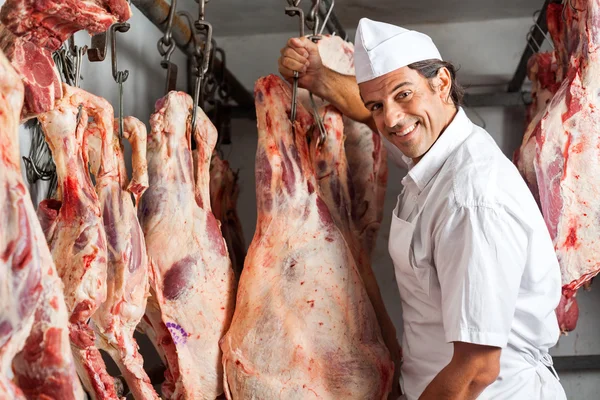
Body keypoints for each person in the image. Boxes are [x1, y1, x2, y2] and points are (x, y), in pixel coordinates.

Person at [278, 18, 567, 400]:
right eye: (378, 105)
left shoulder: (472, 197)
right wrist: (321, 78)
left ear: (442, 83)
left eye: (404, 94)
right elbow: (380, 119)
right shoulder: (437, 150)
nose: (392, 119)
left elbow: (477, 368)